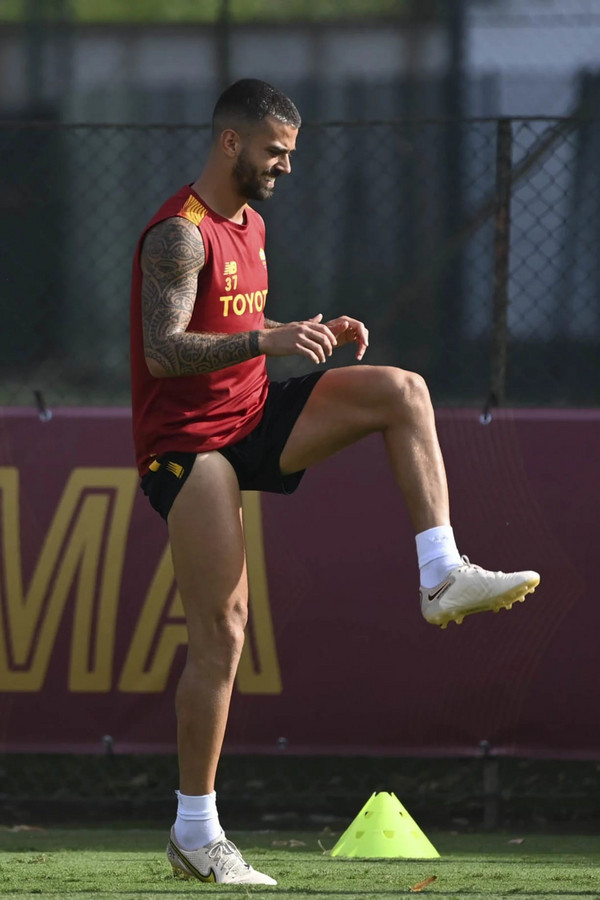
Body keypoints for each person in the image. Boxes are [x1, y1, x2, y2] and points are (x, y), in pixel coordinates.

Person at [130, 78, 540, 885]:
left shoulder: (253, 223)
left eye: (290, 152)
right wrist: (267, 341)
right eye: (275, 151)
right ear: (230, 142)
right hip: (187, 443)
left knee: (403, 391)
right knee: (225, 632)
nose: (285, 165)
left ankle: (441, 573)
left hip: (252, 414)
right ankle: (194, 831)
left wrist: (298, 330)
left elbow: (236, 329)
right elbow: (164, 349)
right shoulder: (179, 234)